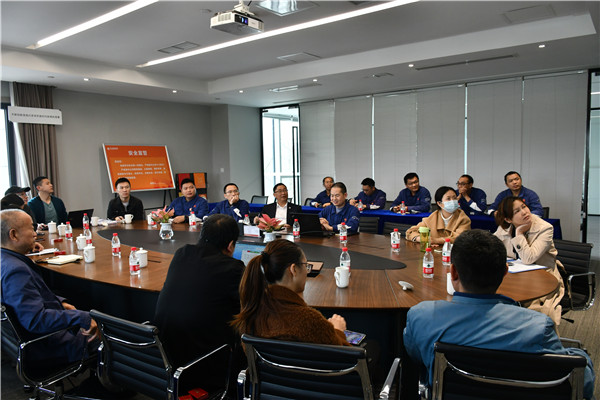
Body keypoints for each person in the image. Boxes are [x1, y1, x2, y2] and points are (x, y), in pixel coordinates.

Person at [403, 229, 595, 399]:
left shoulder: (421, 317)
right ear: (505, 272)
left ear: (453, 272)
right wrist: (579, 355)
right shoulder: (536, 327)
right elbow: (580, 382)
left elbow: (416, 358)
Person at [1, 209, 98, 366]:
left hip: (22, 341)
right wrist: (82, 317)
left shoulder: (6, 260)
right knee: (108, 335)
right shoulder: (16, 271)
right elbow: (35, 320)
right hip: (45, 345)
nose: (35, 234)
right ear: (14, 235)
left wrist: (60, 303)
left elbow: (33, 296)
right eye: (31, 228)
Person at [154, 214, 245, 370]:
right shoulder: (233, 268)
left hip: (165, 355)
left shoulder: (181, 253)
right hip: (204, 360)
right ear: (230, 245)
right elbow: (251, 304)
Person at [232, 239, 349, 346]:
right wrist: (338, 331)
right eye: (306, 265)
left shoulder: (252, 311)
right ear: (293, 269)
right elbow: (344, 355)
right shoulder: (309, 321)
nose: (307, 271)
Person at [493, 196, 565, 326]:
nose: (524, 212)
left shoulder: (544, 228)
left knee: (532, 311)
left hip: (544, 277)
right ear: (508, 219)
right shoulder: (505, 228)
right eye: (517, 211)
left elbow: (528, 258)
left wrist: (519, 234)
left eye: (524, 207)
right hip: (515, 276)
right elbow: (493, 246)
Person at [406, 186, 471, 245]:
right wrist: (422, 239)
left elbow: (460, 238)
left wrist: (436, 240)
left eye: (454, 198)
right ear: (439, 203)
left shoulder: (463, 218)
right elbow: (410, 232)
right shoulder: (432, 218)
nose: (452, 201)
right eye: (448, 199)